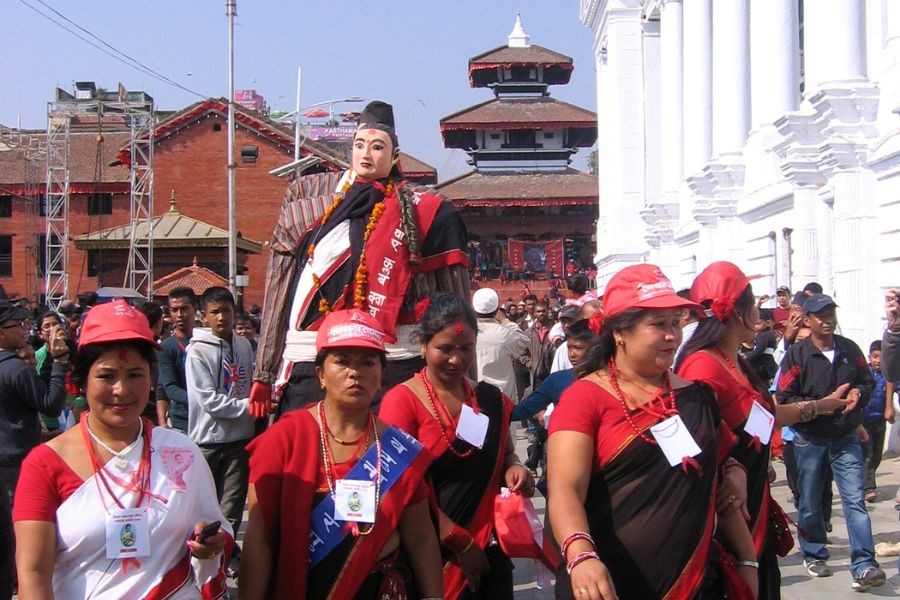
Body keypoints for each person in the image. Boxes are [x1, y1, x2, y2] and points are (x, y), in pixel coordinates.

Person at [548, 264, 757, 599]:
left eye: (676, 322)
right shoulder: (584, 398)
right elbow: (565, 488)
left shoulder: (697, 396)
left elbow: (722, 475)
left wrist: (748, 561)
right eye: (658, 324)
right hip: (609, 584)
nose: (672, 335)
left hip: (698, 582)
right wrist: (582, 555)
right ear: (619, 331)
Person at [250, 100, 469, 420]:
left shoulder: (427, 210)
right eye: (359, 145)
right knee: (314, 460)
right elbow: (278, 292)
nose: (367, 154)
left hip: (398, 364)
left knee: (394, 462)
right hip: (315, 363)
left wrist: (461, 372)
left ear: (395, 155)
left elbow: (454, 303)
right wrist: (263, 373)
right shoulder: (306, 203)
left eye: (378, 146)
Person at [13, 300, 230, 598]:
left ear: (151, 378)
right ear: (81, 381)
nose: (122, 390)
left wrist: (209, 546)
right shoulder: (45, 464)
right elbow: (33, 574)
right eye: (106, 375)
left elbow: (218, 534)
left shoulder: (180, 454)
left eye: (135, 375)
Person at [675, 262, 853, 598]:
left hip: (754, 496)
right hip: (730, 511)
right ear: (738, 312)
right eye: (754, 303)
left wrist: (822, 406)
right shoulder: (703, 366)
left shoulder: (733, 359)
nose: (761, 312)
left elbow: (764, 416)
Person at [240, 309, 444, 599]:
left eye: (367, 362)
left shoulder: (397, 446)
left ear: (380, 374)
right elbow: (259, 539)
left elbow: (421, 537)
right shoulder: (284, 440)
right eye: (342, 361)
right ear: (321, 374)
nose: (355, 372)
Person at [379, 293, 534, 599]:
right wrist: (459, 542)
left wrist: (515, 468)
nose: (456, 359)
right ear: (423, 346)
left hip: (488, 548)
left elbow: (506, 455)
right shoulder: (402, 402)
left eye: (466, 349)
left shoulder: (489, 400)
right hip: (428, 553)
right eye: (445, 349)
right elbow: (399, 490)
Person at [776, 293, 885, 591]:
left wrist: (857, 395)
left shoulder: (850, 350)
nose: (827, 320)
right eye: (820, 315)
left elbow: (867, 379)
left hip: (845, 436)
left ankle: (864, 564)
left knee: (855, 500)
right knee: (810, 502)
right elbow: (784, 398)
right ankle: (813, 552)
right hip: (809, 439)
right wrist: (820, 404)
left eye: (830, 314)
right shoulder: (797, 355)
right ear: (808, 321)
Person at [186, 286, 256, 575]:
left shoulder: (244, 345)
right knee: (203, 509)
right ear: (204, 317)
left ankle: (222, 563)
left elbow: (250, 383)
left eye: (226, 310)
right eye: (214, 312)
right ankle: (200, 566)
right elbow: (209, 401)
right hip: (207, 441)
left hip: (239, 439)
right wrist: (250, 407)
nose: (221, 317)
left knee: (231, 507)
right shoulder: (197, 352)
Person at [472, 288, 529, 402]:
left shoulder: (468, 332)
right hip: (502, 396)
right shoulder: (505, 333)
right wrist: (505, 321)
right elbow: (524, 341)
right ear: (497, 310)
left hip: (474, 394)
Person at [157, 286, 199, 433]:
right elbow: (167, 387)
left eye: (184, 308)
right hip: (183, 420)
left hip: (212, 417)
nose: (180, 315)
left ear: (195, 308)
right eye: (174, 310)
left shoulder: (207, 341)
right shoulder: (166, 347)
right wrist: (201, 401)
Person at [862, 340, 892, 502]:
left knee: (876, 456)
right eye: (875, 357)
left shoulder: (890, 375)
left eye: (881, 357)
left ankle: (864, 482)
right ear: (869, 356)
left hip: (879, 420)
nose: (878, 361)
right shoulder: (863, 373)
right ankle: (869, 488)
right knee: (867, 454)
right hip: (863, 420)